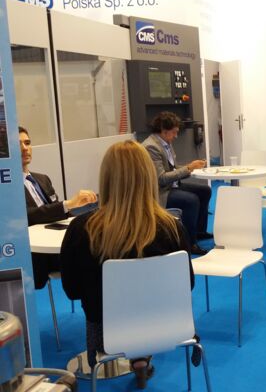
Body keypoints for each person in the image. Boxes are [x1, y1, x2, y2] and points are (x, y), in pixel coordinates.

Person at [60, 140, 195, 389]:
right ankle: (141, 356)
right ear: (148, 177)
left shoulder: (82, 229)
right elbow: (188, 284)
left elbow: (72, 290)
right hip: (167, 326)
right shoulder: (172, 227)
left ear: (106, 179)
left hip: (106, 333)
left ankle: (132, 356)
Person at [19, 126, 97, 289]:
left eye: (27, 143)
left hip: (58, 243)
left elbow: (57, 212)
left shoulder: (42, 179)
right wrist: (68, 204)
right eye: (18, 144)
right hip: (37, 254)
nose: (25, 148)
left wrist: (73, 207)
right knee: (88, 257)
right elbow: (27, 215)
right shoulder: (6, 187)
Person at [142, 112, 211, 255]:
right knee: (191, 200)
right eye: (174, 132)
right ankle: (189, 243)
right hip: (160, 192)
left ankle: (199, 231)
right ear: (164, 131)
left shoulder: (165, 143)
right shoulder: (151, 147)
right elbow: (161, 178)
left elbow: (172, 168)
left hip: (171, 186)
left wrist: (192, 167)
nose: (176, 136)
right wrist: (188, 168)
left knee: (205, 191)